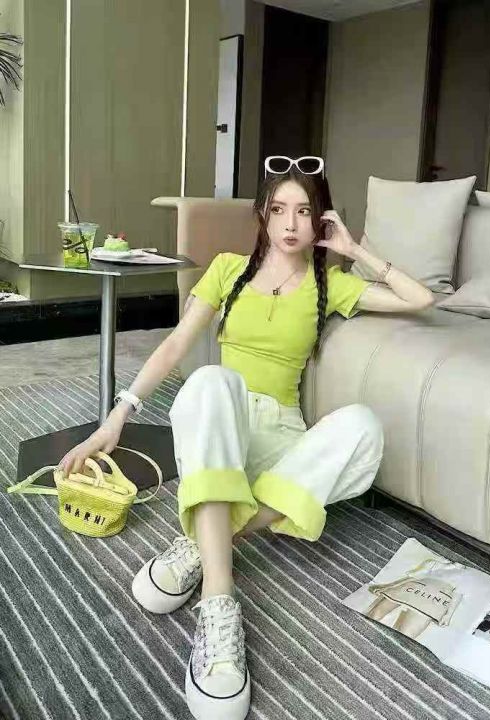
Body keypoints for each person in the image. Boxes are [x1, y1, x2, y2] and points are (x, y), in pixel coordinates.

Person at [58, 155, 434, 720]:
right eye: (279, 209)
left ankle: (206, 541)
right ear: (262, 215)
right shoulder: (227, 269)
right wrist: (117, 416)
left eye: (305, 211)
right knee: (212, 379)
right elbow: (175, 345)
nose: (291, 223)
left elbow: (421, 299)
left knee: (363, 426)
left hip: (283, 442)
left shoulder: (332, 284)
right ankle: (219, 603)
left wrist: (356, 251)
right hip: (222, 428)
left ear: (321, 220)